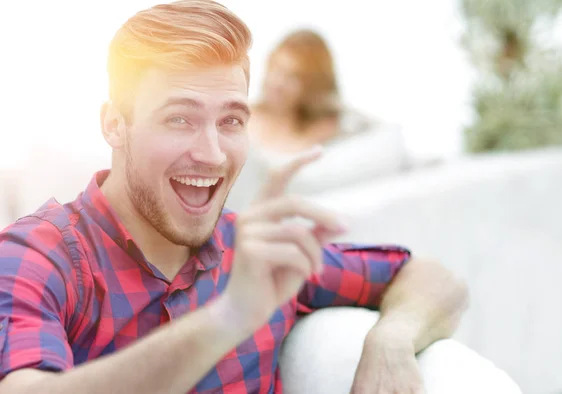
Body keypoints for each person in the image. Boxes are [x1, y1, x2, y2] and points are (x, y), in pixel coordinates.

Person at [0, 1, 468, 393]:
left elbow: (431, 278)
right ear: (114, 124)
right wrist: (227, 318)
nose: (211, 154)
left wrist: (394, 337)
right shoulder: (39, 254)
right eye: (180, 119)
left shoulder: (253, 256)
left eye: (231, 121)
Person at [249, 29, 373, 154]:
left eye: (293, 76)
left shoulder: (332, 128)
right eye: (276, 69)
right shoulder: (241, 117)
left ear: (313, 85)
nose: (278, 83)